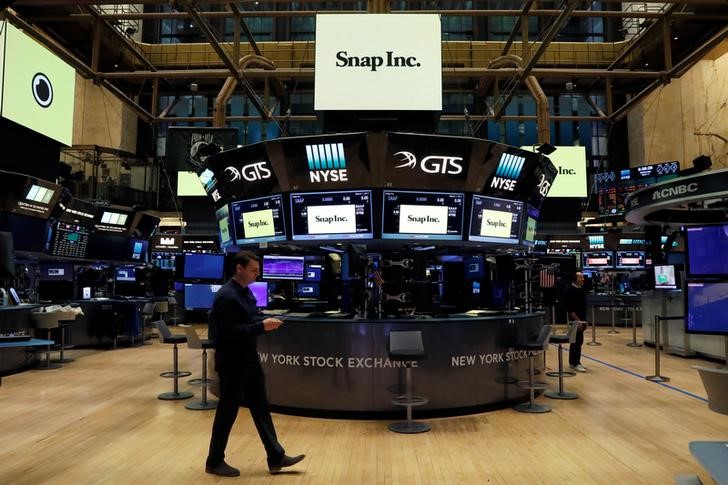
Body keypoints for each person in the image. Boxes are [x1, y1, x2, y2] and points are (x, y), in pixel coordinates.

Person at [206, 250, 305, 477]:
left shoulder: (245, 292)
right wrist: (262, 326)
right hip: (232, 363)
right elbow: (229, 334)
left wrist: (263, 321)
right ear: (239, 269)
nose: (257, 274)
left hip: (249, 360)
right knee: (227, 413)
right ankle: (214, 461)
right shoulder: (226, 297)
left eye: (257, 270)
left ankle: (276, 456)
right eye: (253, 270)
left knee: (261, 408)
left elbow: (248, 319)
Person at [562, 271, 588, 373]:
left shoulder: (581, 290)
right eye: (580, 278)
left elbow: (583, 307)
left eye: (582, 278)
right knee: (576, 341)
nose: (582, 279)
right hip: (575, 320)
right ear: (575, 279)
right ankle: (576, 362)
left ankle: (573, 362)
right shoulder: (570, 291)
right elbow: (570, 308)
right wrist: (578, 321)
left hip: (581, 319)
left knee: (578, 341)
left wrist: (584, 321)